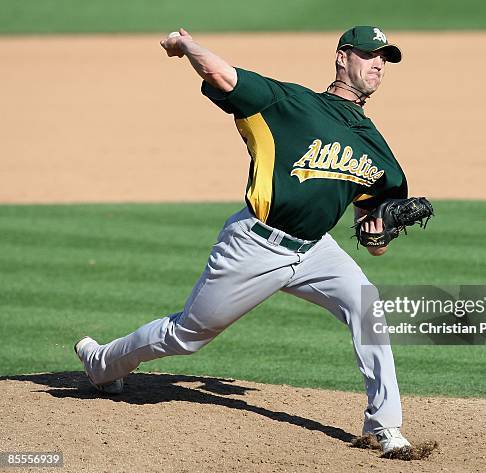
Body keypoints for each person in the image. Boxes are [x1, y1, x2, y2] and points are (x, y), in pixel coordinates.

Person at [75, 25, 412, 453]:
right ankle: (102, 362)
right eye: (370, 55)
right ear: (343, 57)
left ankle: (385, 424)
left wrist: (379, 229)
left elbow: (374, 240)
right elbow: (221, 76)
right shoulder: (289, 103)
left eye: (385, 58)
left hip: (316, 250)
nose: (378, 64)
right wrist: (185, 45)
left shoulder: (377, 150)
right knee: (187, 335)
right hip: (255, 244)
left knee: (367, 304)